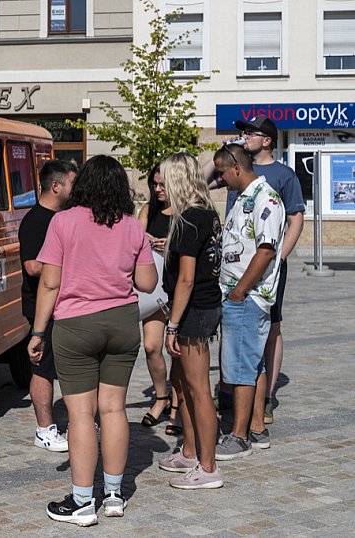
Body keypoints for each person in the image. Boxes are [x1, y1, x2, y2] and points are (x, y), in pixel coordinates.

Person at [28, 155, 157, 526]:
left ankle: (83, 501)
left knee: (82, 413)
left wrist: (38, 333)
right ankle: (115, 494)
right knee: (114, 409)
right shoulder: (132, 226)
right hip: (121, 323)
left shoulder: (62, 222)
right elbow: (147, 284)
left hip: (76, 325)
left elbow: (50, 282)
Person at [154, 153, 223, 489]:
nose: (158, 187)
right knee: (183, 386)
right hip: (201, 308)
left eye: (163, 180)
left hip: (194, 312)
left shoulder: (189, 219)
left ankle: (208, 468)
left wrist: (172, 325)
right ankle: (191, 450)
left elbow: (186, 279)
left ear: (178, 180)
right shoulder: (204, 213)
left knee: (198, 391)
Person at [213, 144, 285, 461]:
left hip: (247, 297)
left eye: (222, 172)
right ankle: (256, 427)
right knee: (253, 362)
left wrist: (240, 290)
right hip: (241, 295)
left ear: (236, 168)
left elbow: (266, 250)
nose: (220, 178)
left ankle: (239, 435)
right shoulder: (244, 197)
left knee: (241, 367)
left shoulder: (264, 198)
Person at [232, 117, 305, 431]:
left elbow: (296, 218)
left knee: (271, 325)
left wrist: (279, 258)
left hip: (268, 265)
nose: (244, 136)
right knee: (236, 324)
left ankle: (266, 396)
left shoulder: (284, 175)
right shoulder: (237, 169)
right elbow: (201, 179)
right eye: (243, 132)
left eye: (250, 133)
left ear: (267, 140)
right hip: (235, 266)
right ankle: (234, 389)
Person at [19, 159, 77, 452]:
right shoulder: (35, 221)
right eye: (71, 183)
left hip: (65, 305)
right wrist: (68, 262)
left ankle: (77, 421)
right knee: (42, 368)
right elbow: (32, 266)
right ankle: (45, 430)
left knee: (64, 366)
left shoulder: (64, 217)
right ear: (56, 186)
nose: (75, 189)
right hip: (42, 307)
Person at [137, 165, 180, 435]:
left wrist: (172, 246)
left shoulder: (185, 212)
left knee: (176, 350)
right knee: (152, 346)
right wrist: (144, 240)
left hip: (177, 288)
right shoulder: (147, 210)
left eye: (163, 184)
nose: (158, 189)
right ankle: (161, 397)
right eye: (154, 184)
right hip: (153, 291)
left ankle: (176, 406)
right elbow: (132, 240)